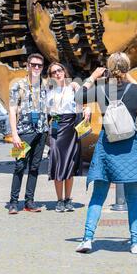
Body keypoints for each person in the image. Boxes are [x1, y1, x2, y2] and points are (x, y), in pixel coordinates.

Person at [74, 52, 137, 255]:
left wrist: (93, 77)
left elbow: (78, 97)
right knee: (133, 198)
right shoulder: (136, 90)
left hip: (107, 147)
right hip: (130, 147)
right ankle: (136, 242)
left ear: (109, 69)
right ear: (127, 68)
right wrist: (129, 77)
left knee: (98, 195)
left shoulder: (102, 89)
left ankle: (87, 239)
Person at [8, 53, 48, 214]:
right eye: (33, 64)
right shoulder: (18, 85)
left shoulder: (46, 85)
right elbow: (11, 110)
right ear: (27, 66)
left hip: (41, 131)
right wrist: (14, 134)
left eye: (39, 65)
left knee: (35, 167)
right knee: (19, 166)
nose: (36, 68)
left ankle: (29, 201)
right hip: (23, 132)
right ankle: (13, 202)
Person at [47, 62, 90, 213]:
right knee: (58, 162)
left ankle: (68, 199)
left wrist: (87, 109)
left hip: (71, 127)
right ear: (51, 76)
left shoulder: (73, 87)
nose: (58, 73)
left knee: (70, 164)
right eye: (54, 72)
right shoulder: (49, 91)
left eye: (60, 70)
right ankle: (59, 200)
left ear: (64, 71)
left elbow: (84, 101)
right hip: (56, 126)